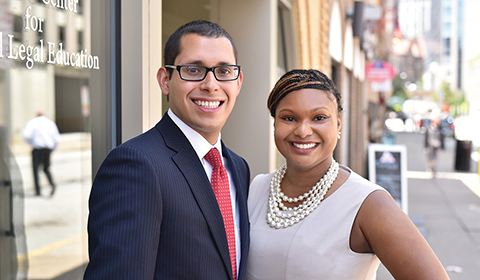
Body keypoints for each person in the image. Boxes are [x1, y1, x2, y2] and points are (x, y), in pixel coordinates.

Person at [84, 20, 250, 280]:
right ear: (165, 80)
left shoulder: (237, 167)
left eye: (224, 71)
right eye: (194, 70)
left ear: (238, 82)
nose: (211, 84)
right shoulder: (135, 165)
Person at [246, 69, 449, 280]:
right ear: (275, 124)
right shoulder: (252, 190)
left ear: (338, 124)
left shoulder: (368, 204)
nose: (303, 131)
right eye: (289, 118)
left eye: (319, 118)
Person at [22, 110, 59, 196]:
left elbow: (26, 135)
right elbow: (56, 137)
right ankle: (52, 183)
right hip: (47, 148)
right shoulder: (50, 123)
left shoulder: (32, 123)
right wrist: (53, 148)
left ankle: (37, 190)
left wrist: (32, 143)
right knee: (46, 168)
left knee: (35, 169)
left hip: (37, 148)